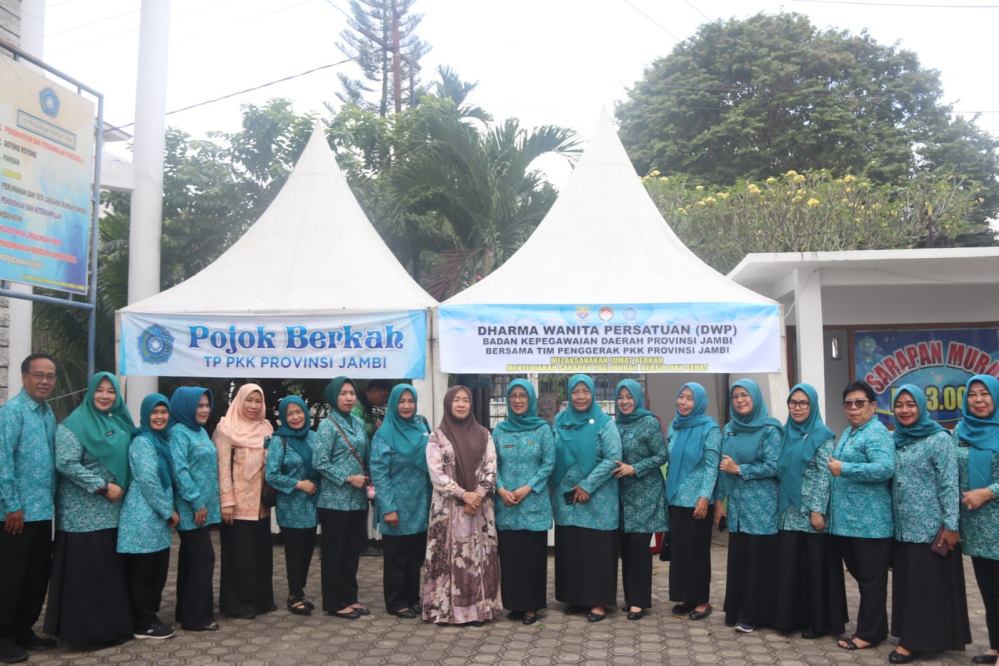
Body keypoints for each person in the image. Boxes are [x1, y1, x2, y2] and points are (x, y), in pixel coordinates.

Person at [44, 371, 133, 646]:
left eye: (111, 391)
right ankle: (84, 634)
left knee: (107, 573)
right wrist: (103, 486)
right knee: (86, 575)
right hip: (81, 516)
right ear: (90, 392)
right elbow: (66, 463)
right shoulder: (73, 425)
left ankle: (112, 629)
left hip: (112, 512)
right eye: (100, 390)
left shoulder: (119, 421)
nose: (105, 396)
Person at [887, 384, 969, 663]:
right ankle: (926, 637)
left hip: (931, 528)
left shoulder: (938, 439)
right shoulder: (897, 438)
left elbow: (949, 484)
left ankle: (913, 643)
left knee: (927, 587)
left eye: (911, 404)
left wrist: (951, 525)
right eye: (899, 405)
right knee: (911, 586)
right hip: (903, 527)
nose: (905, 410)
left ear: (922, 407)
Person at [421, 385, 499, 625]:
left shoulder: (484, 434)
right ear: (448, 404)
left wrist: (478, 494)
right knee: (449, 559)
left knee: (477, 558)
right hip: (448, 509)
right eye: (456, 400)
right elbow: (437, 475)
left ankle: (478, 611)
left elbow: (491, 466)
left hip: (479, 508)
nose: (462, 404)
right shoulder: (436, 437)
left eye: (466, 400)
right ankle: (445, 611)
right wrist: (464, 495)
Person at [774, 383, 846, 639]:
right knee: (791, 566)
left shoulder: (823, 435)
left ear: (812, 405)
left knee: (814, 568)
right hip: (788, 512)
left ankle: (818, 622)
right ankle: (791, 619)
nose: (797, 407)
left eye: (803, 403)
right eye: (793, 402)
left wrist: (818, 510)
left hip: (811, 513)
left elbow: (825, 476)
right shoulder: (785, 433)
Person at [827, 380, 894, 651]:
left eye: (860, 403)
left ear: (873, 406)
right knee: (864, 577)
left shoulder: (876, 432)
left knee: (871, 579)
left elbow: (885, 468)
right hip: (848, 522)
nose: (854, 408)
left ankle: (867, 634)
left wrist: (845, 468)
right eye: (849, 404)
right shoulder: (849, 432)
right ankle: (876, 627)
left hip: (871, 523)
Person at [0, 354, 58, 662]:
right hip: (16, 515)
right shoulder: (11, 412)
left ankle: (24, 630)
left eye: (50, 376)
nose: (45, 381)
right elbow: (2, 460)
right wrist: (12, 505)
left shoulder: (48, 413)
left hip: (42, 512)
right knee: (10, 578)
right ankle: (3, 637)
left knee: (36, 576)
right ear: (24, 377)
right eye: (39, 375)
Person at [550, 374, 622, 623]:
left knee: (596, 550)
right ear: (569, 394)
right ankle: (576, 598)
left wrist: (587, 485)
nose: (580, 396)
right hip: (567, 499)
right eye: (575, 392)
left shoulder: (605, 423)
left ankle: (598, 602)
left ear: (593, 394)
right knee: (572, 547)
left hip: (597, 498)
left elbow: (613, 457)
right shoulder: (559, 420)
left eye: (585, 391)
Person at [714, 378, 782, 633]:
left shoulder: (770, 429)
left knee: (758, 562)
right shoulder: (730, 428)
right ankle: (736, 610)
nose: (740, 400)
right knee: (740, 559)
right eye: (735, 396)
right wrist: (720, 501)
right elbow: (723, 464)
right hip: (738, 506)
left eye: (745, 395)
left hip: (762, 506)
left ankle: (755, 616)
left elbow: (775, 465)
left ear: (755, 397)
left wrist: (740, 469)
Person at [117, 393, 179, 640]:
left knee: (156, 571)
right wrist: (167, 510)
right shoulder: (142, 442)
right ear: (145, 415)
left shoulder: (161, 441)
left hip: (155, 521)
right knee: (142, 573)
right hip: (141, 518)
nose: (160, 417)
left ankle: (149, 617)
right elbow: (148, 481)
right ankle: (143, 622)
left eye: (164, 412)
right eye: (155, 412)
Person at [492, 379, 555, 625]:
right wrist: (500, 489)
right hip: (506, 504)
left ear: (531, 400)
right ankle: (515, 604)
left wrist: (528, 487)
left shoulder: (542, 429)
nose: (518, 400)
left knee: (532, 557)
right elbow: (493, 464)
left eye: (523, 396)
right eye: (513, 396)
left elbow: (549, 463)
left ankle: (532, 606)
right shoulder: (499, 430)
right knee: (510, 557)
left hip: (533, 503)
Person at [369, 384, 432, 618]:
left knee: (415, 555)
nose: (406, 406)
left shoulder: (421, 425)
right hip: (395, 504)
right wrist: (388, 508)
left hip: (420, 502)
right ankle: (396, 602)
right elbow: (379, 474)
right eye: (401, 401)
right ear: (393, 403)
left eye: (410, 401)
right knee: (396, 556)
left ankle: (413, 598)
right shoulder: (383, 435)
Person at [215, 383, 275, 619]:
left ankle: (262, 601)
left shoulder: (266, 427)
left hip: (260, 505)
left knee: (260, 555)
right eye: (249, 400)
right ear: (239, 401)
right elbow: (222, 468)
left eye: (258, 401)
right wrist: (226, 501)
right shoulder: (226, 428)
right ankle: (239, 604)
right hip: (237, 505)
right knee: (239, 556)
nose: (253, 405)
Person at [314, 376, 371, 619]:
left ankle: (350, 598)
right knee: (334, 553)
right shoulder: (327, 426)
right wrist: (348, 478)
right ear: (333, 396)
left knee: (351, 552)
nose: (348, 398)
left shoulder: (358, 423)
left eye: (352, 393)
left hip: (357, 500)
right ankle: (334, 603)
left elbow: (365, 455)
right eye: (343, 393)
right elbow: (320, 462)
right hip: (334, 501)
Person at [612, 379, 667, 621]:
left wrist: (635, 468)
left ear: (638, 398)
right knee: (626, 547)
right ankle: (630, 597)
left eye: (629, 397)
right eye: (620, 397)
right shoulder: (616, 424)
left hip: (646, 493)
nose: (625, 402)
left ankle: (639, 601)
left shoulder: (649, 422)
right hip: (623, 495)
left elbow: (662, 454)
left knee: (639, 547)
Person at [665, 382, 720, 622]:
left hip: (698, 502)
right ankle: (686, 597)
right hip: (676, 498)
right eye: (681, 397)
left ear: (699, 402)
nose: (683, 402)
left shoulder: (710, 429)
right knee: (680, 552)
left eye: (690, 398)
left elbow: (712, 466)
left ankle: (702, 601)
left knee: (698, 553)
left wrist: (705, 497)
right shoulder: (675, 426)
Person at [954, 374, 999, 665]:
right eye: (973, 394)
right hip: (976, 527)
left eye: (985, 394)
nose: (979, 400)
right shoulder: (960, 431)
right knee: (990, 591)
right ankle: (995, 647)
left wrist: (988, 492)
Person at [169, 386, 220, 632]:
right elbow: (180, 471)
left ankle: (186, 612)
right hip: (192, 508)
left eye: (207, 405)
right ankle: (197, 618)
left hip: (203, 508)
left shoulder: (199, 431)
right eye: (199, 406)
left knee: (190, 559)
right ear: (186, 407)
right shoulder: (178, 433)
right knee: (203, 559)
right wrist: (196, 502)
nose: (204, 410)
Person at [264, 396, 319, 616]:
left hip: (312, 504)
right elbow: (271, 475)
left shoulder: (313, 437)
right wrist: (299, 484)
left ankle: (300, 591)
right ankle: (294, 595)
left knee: (307, 551)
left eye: (299, 412)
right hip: (291, 506)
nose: (295, 417)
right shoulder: (280, 441)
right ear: (284, 418)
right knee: (295, 552)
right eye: (290, 414)